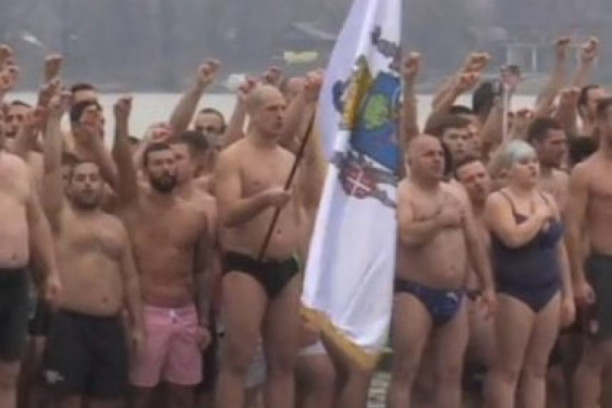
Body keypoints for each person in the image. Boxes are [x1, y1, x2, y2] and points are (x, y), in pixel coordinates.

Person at [41, 93, 144, 408]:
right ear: (69, 186)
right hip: (69, 324)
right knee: (68, 400)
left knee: (109, 400)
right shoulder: (59, 217)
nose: (87, 184)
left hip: (110, 326)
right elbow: (50, 168)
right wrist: (54, 119)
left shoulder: (116, 224)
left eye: (93, 179)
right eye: (81, 179)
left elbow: (130, 278)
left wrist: (138, 326)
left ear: (102, 185)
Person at [111, 96, 215, 408]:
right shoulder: (133, 203)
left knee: (183, 391)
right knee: (142, 393)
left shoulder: (196, 215)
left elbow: (203, 270)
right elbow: (121, 164)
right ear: (146, 169)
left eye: (171, 162)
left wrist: (204, 321)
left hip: (185, 314)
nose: (166, 168)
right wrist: (121, 123)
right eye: (158, 163)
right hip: (147, 311)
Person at [387, 134, 496, 408]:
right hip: (414, 293)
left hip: (454, 294)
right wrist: (439, 221)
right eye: (429, 154)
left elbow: (474, 243)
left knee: (451, 373)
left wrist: (488, 286)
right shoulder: (403, 193)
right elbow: (406, 235)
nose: (437, 159)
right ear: (411, 161)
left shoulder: (456, 193)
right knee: (406, 370)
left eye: (439, 154)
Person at [214, 84, 304, 408]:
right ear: (252, 113)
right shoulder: (233, 157)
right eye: (271, 109)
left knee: (284, 361)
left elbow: (299, 216)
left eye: (283, 109)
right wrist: (263, 199)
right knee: (239, 357)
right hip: (247, 264)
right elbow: (228, 214)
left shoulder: (289, 159)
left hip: (286, 264)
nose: (280, 116)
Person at [483, 140, 574, 408]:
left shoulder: (546, 199)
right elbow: (512, 238)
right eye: (524, 162)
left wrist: (568, 295)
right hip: (515, 291)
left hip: (549, 289)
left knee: (538, 369)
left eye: (534, 161)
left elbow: (560, 250)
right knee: (509, 369)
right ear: (508, 170)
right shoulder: (498, 201)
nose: (532, 167)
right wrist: (539, 217)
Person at [0, 99, 62, 408]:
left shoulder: (17, 167)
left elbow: (37, 221)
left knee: (9, 373)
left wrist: (51, 272)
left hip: (16, 280)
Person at [568, 97, 612, 408]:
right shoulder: (586, 172)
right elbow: (573, 229)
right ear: (600, 123)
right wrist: (577, 278)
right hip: (602, 264)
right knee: (598, 352)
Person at [454, 156, 496, 405]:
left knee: (488, 370)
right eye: (470, 180)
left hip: (487, 301)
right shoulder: (453, 216)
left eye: (481, 176)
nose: (478, 182)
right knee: (451, 374)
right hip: (460, 297)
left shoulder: (500, 212)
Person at [526, 118, 569, 210]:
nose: (562, 149)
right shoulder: (522, 183)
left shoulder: (564, 179)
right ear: (536, 144)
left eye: (564, 143)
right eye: (555, 143)